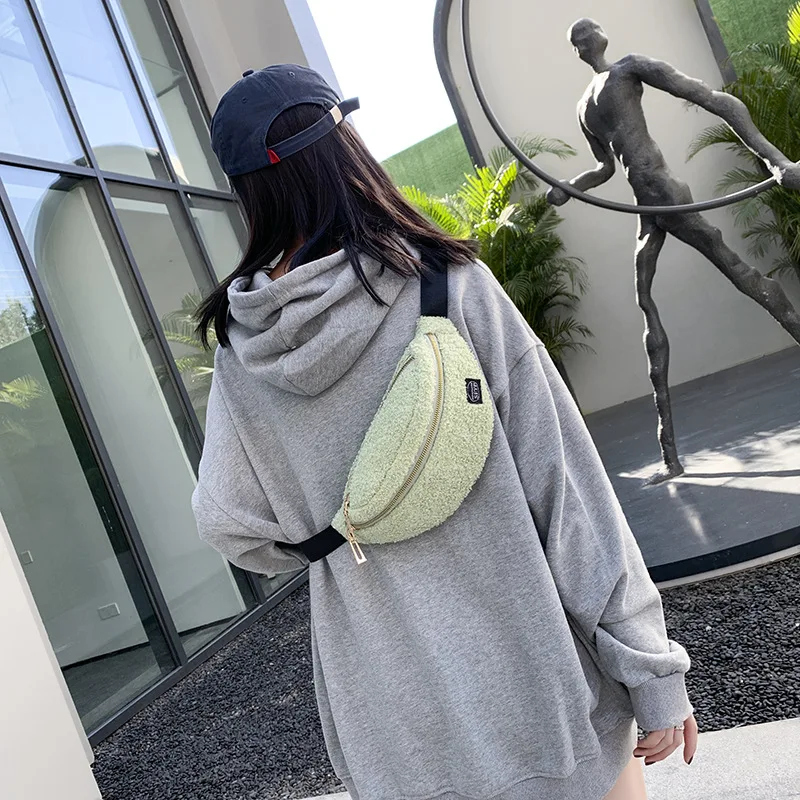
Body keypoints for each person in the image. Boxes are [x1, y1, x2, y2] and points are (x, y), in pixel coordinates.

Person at [193, 64, 697, 800]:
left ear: (247, 188)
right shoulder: (446, 287)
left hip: (396, 723)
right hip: (540, 691)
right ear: (344, 150)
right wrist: (651, 671)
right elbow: (566, 492)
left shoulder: (242, 350)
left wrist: (338, 531)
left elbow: (229, 523)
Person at [547, 18, 800, 483]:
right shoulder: (584, 108)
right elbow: (604, 168)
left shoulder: (629, 69)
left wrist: (776, 160)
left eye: (585, 35)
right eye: (576, 41)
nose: (582, 44)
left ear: (600, 38)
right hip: (648, 207)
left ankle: (670, 455)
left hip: (666, 194)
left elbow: (713, 99)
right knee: (647, 305)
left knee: (742, 276)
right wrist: (569, 186)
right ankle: (670, 457)